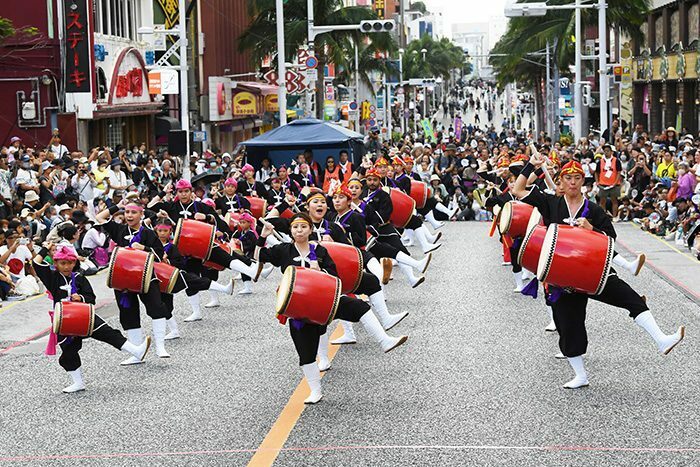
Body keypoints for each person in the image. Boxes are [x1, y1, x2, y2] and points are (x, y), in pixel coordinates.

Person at [512, 155, 684, 389]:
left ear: (583, 180)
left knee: (632, 299)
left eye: (577, 178)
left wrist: (592, 230)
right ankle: (580, 376)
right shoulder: (551, 203)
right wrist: (531, 164)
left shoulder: (593, 210)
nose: (572, 182)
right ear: (561, 180)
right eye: (568, 178)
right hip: (562, 279)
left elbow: (610, 241)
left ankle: (662, 339)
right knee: (569, 327)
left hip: (593, 271)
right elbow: (519, 189)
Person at [255, 212, 407, 404]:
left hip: (323, 299)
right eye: (295, 227)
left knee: (359, 306)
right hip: (298, 306)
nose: (299, 230)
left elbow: (334, 276)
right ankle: (315, 391)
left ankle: (384, 340)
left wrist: (319, 270)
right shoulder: (283, 250)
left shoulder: (319, 250)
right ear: (291, 230)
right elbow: (258, 257)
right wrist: (263, 236)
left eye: (303, 226)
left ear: (310, 229)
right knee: (306, 352)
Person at [33, 244, 150, 393]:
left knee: (109, 333)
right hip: (64, 319)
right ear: (56, 264)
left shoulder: (80, 278)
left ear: (75, 263)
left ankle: (136, 351)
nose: (67, 266)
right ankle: (78, 382)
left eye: (70, 263)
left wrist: (80, 297)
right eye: (63, 263)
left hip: (84, 315)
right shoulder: (53, 278)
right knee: (69, 352)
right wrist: (45, 248)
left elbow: (91, 298)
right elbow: (36, 263)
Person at [95, 201, 172, 362]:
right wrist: (118, 205)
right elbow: (99, 217)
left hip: (146, 277)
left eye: (133, 212)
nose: (129, 215)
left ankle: (160, 346)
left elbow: (160, 255)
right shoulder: (119, 229)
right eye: (127, 212)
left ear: (141, 214)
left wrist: (143, 248)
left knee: (157, 308)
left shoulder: (148, 233)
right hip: (123, 279)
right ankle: (137, 352)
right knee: (128, 314)